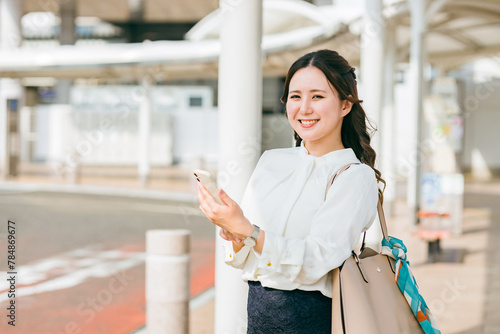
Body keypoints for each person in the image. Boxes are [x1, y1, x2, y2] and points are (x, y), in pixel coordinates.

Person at [197, 49, 385, 333]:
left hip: (311, 319)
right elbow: (244, 259)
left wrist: (250, 232)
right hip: (259, 316)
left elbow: (316, 259)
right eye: (295, 96)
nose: (304, 108)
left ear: (346, 105)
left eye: (318, 96)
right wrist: (235, 235)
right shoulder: (271, 161)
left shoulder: (355, 177)